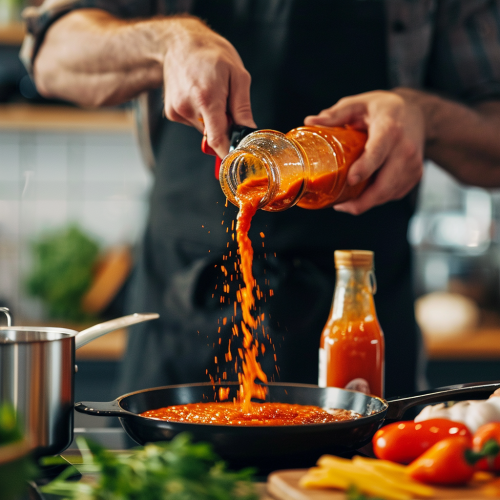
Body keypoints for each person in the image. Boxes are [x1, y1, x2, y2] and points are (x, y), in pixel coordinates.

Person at [21, 0, 500, 398]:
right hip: (183, 305)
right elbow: (50, 54)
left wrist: (424, 115)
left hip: (357, 303)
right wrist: (166, 43)